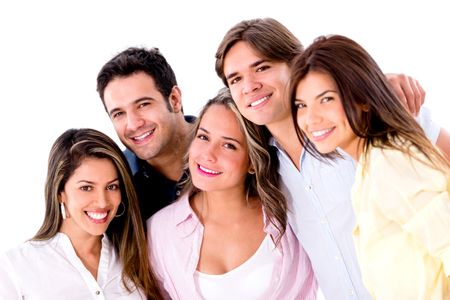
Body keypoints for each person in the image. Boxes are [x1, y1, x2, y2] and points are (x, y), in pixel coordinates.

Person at [214, 17, 450, 299]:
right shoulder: (261, 168)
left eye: (262, 67)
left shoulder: (374, 122)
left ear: (295, 64)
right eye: (235, 78)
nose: (249, 86)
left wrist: (375, 87)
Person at [290, 34, 450, 299]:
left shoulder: (390, 161)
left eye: (326, 99)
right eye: (301, 105)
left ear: (362, 98)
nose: (311, 118)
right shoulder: (369, 167)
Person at [147, 88, 317, 299]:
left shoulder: (290, 219)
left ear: (253, 163)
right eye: (203, 137)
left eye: (229, 145)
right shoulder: (158, 231)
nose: (208, 154)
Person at [0, 128, 162, 299]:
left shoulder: (136, 259)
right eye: (86, 188)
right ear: (59, 192)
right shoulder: (15, 267)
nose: (102, 202)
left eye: (111, 186)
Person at [96, 47, 194, 222]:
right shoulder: (116, 186)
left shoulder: (237, 143)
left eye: (143, 105)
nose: (133, 124)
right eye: (119, 114)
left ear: (174, 99)